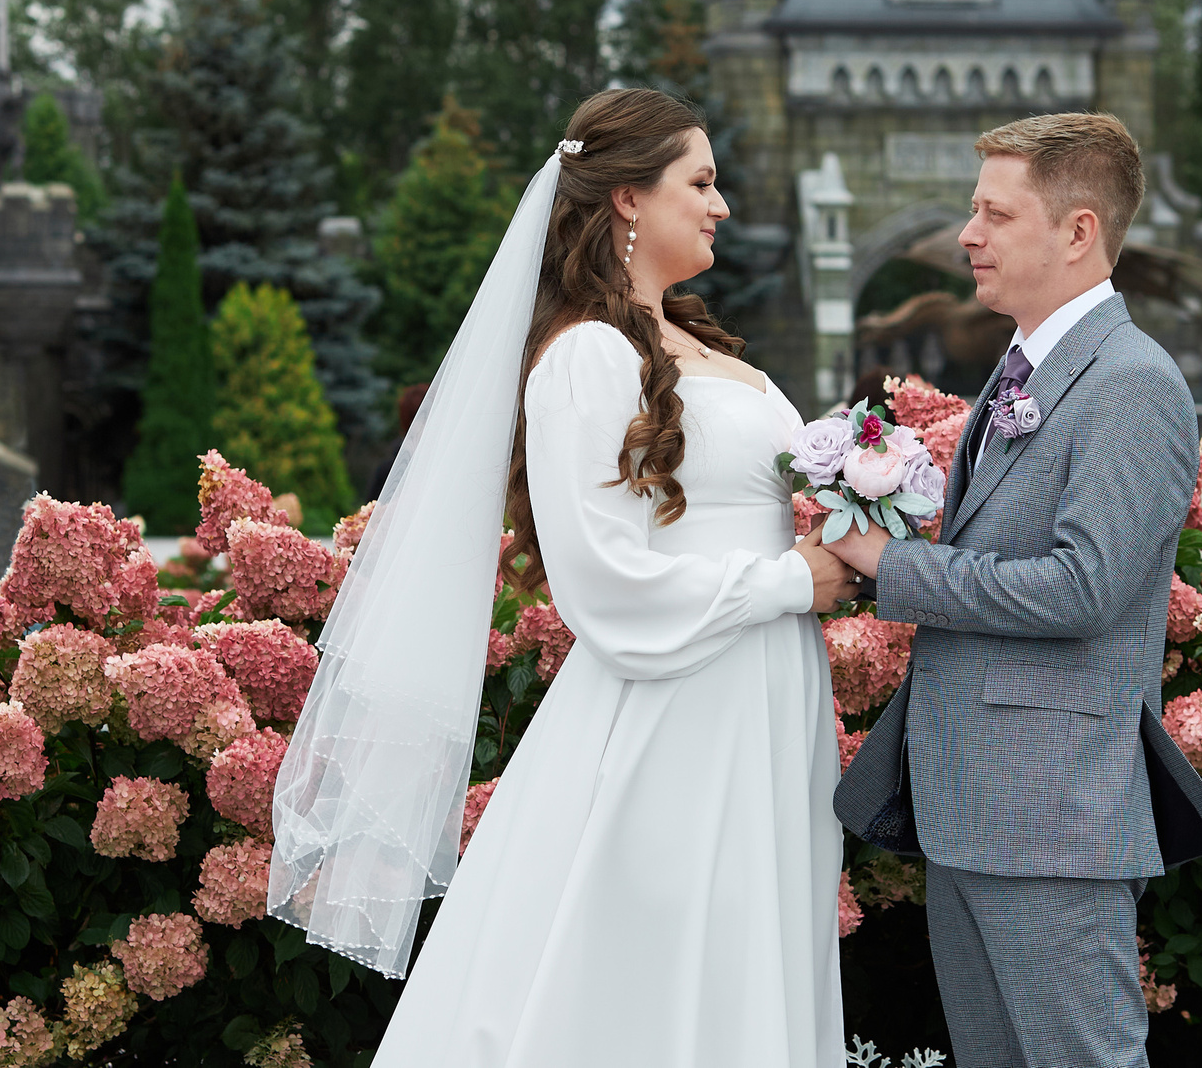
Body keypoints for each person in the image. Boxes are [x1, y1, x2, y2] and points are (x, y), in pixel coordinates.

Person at [270, 88, 855, 1066]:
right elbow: (604, 585)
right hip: (669, 720)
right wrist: (793, 583)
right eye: (700, 183)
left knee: (743, 971)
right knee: (640, 984)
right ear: (626, 197)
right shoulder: (584, 356)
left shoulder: (705, 349)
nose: (721, 206)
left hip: (765, 707)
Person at [828, 112, 1202, 1068]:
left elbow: (1082, 588)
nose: (968, 233)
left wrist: (891, 565)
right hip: (974, 808)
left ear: (1077, 230)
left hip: (1051, 817)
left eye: (994, 213)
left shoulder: (1132, 382)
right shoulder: (1025, 369)